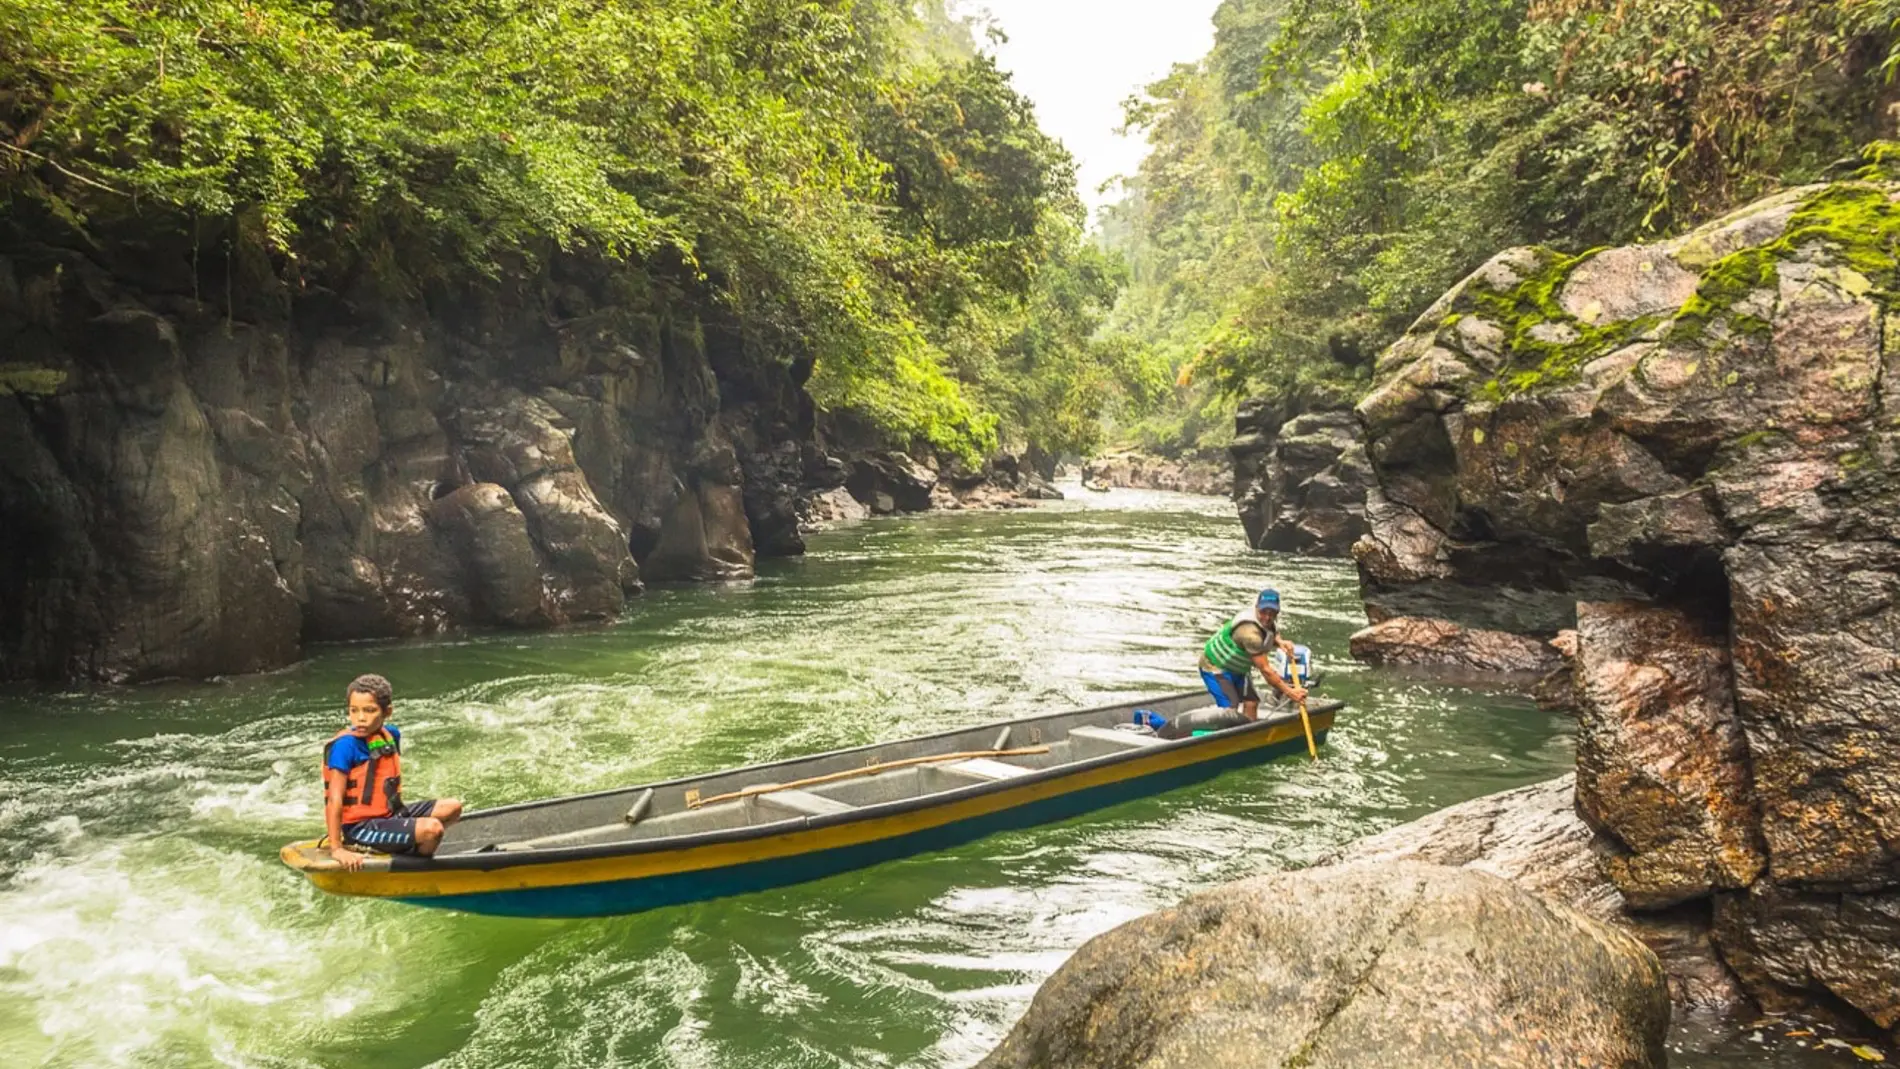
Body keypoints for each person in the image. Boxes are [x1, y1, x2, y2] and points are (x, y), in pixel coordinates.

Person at [322, 674, 464, 872]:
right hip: (360, 827)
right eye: (354, 711)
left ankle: (408, 847)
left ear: (387, 711)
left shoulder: (391, 735)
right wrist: (337, 848)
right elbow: (334, 799)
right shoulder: (345, 746)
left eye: (369, 710)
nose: (360, 718)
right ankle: (416, 868)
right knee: (433, 829)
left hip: (389, 815)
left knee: (453, 807)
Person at [1198, 588, 1308, 721]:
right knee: (1230, 709)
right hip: (1215, 666)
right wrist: (1291, 692)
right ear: (1256, 608)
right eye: (1264, 612)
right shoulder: (1250, 635)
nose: (1267, 617)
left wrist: (1280, 642)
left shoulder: (1267, 621)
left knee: (1251, 702)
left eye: (1272, 613)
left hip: (1238, 668)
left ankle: (1249, 736)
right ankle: (1229, 738)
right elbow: (1266, 671)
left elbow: (1271, 632)